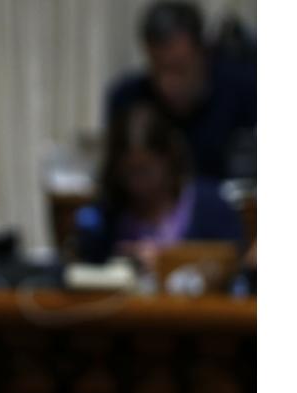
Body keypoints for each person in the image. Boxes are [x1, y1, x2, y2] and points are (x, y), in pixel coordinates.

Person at [75, 103, 242, 267]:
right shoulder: (107, 214)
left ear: (168, 159)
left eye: (145, 170)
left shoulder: (211, 206)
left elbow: (235, 264)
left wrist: (167, 261)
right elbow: (85, 265)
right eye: (129, 171)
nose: (137, 182)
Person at [105, 1, 255, 180]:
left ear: (202, 55)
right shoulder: (129, 99)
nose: (167, 83)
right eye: (158, 69)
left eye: (179, 69)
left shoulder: (247, 90)